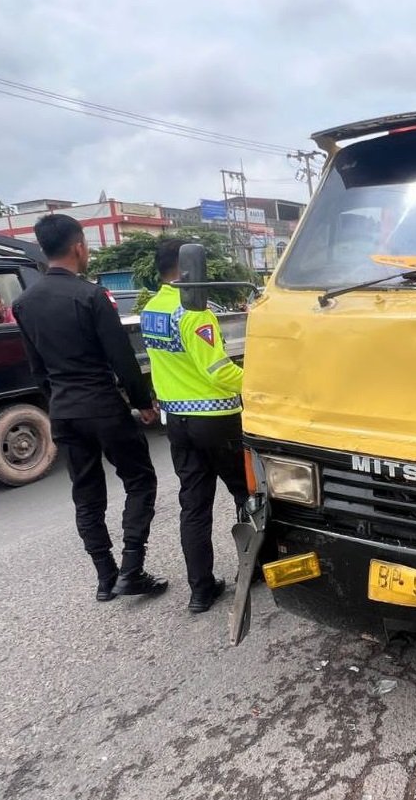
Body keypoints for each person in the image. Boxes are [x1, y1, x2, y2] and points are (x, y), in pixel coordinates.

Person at [12, 214, 165, 601]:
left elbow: (37, 368)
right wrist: (144, 403)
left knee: (86, 494)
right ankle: (132, 568)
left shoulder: (24, 303)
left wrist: (59, 400)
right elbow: (122, 358)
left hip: (64, 410)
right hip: (103, 406)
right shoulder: (91, 296)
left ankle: (105, 577)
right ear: (78, 246)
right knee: (140, 480)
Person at [141, 239, 249, 614]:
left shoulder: (151, 310)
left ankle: (201, 590)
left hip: (178, 424)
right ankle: (254, 572)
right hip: (216, 421)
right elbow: (218, 372)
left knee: (194, 505)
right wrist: (256, 383)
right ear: (188, 269)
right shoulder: (195, 312)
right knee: (247, 495)